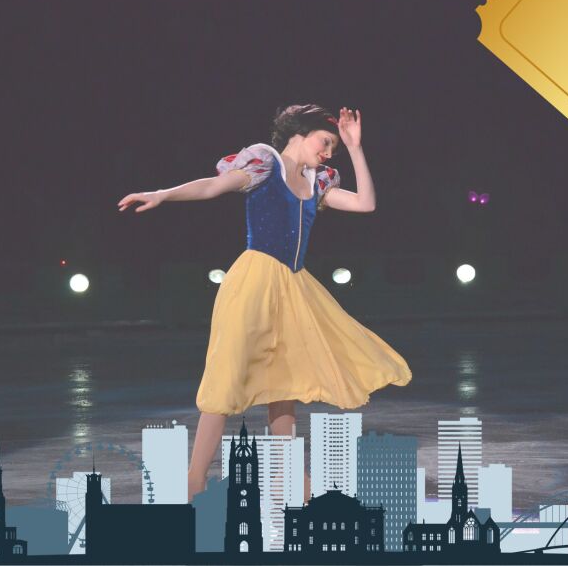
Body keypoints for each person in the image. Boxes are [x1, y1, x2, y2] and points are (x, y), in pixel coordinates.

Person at [118, 104, 411, 502]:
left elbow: (366, 203)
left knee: (284, 384)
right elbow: (212, 187)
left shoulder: (318, 182)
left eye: (334, 148)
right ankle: (194, 481)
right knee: (226, 379)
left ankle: (292, 479)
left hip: (294, 287)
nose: (328, 153)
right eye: (326, 142)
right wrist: (162, 194)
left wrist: (356, 149)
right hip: (254, 281)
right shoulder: (264, 163)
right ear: (300, 134)